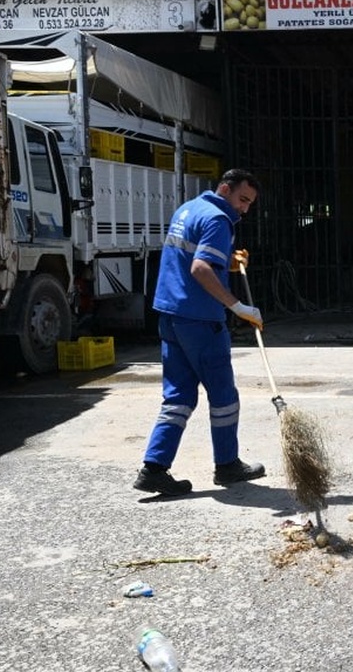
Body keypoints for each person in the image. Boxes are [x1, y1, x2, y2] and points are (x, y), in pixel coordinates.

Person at [133, 169, 267, 496]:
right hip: (200, 320)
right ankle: (227, 465)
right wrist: (238, 306)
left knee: (178, 396)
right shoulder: (218, 220)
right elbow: (200, 268)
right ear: (224, 189)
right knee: (223, 396)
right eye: (242, 200)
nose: (244, 209)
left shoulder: (188, 209)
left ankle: (154, 468)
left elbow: (190, 258)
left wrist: (228, 263)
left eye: (249, 204)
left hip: (170, 315)